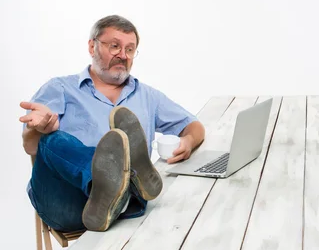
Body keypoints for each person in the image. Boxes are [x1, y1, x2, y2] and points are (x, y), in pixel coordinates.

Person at [19, 15, 206, 232]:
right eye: (115, 46)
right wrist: (40, 129)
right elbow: (30, 147)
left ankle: (122, 196)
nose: (123, 55)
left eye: (130, 49)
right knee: (52, 140)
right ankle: (116, 186)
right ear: (92, 46)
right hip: (68, 202)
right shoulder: (60, 88)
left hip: (124, 209)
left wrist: (188, 141)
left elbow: (193, 125)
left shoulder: (147, 96)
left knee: (120, 178)